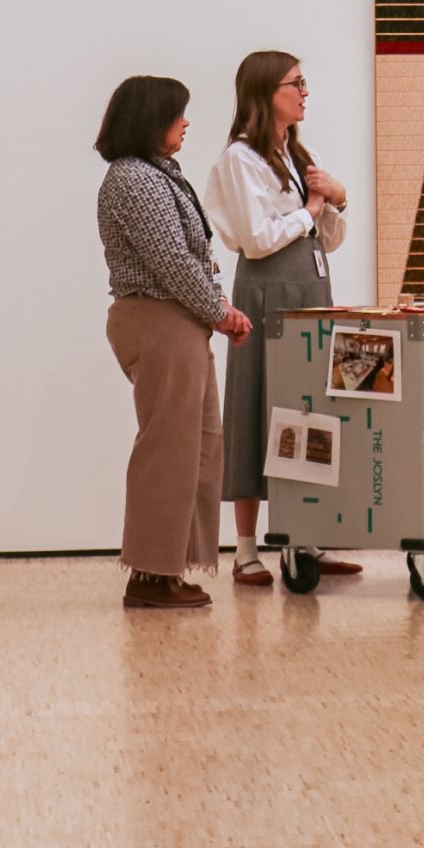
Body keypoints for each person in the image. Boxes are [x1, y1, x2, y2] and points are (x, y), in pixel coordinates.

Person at [96, 74, 252, 612]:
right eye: (176, 114)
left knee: (197, 446)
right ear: (149, 120)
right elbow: (172, 262)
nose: (185, 122)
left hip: (178, 322)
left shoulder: (159, 174)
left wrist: (212, 311)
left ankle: (168, 568)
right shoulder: (134, 179)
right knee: (169, 450)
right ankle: (148, 574)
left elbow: (189, 259)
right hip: (158, 320)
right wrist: (222, 312)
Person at [205, 51, 360, 588]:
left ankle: (305, 535)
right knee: (254, 407)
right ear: (266, 91)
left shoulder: (296, 153)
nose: (305, 92)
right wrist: (311, 210)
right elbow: (256, 238)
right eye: (296, 83)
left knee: (310, 409)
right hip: (266, 292)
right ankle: (246, 548)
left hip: (311, 288)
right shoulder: (241, 159)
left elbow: (328, 241)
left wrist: (337, 199)